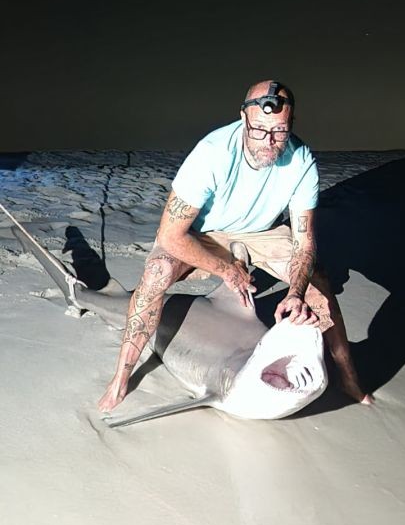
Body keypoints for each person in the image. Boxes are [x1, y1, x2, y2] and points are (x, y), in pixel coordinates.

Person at [98, 80, 371, 412]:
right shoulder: (211, 154)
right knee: (157, 271)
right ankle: (121, 377)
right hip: (206, 233)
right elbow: (170, 235)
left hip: (262, 232)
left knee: (319, 281)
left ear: (291, 123)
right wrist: (226, 270)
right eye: (259, 129)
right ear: (243, 119)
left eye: (279, 131)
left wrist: (296, 292)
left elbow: (305, 244)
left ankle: (348, 377)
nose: (269, 141)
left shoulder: (301, 160)